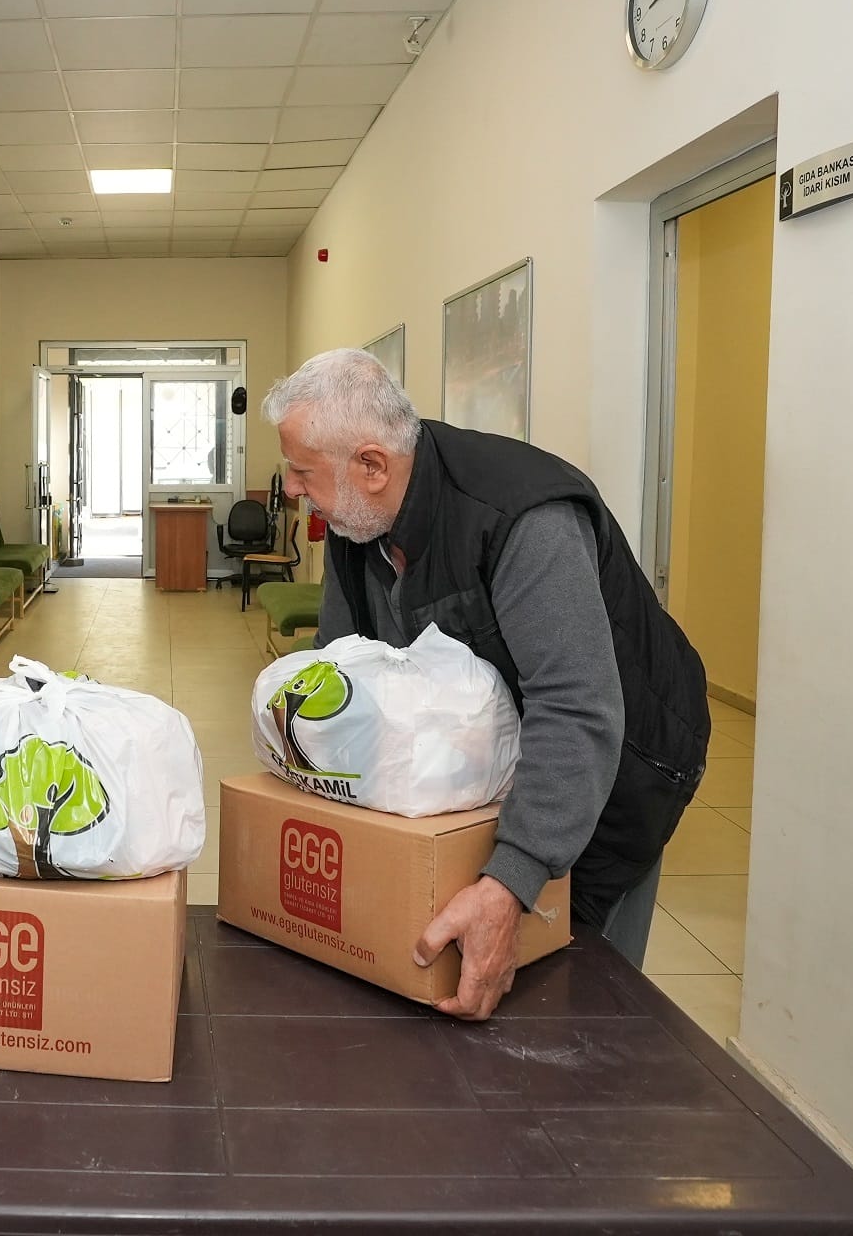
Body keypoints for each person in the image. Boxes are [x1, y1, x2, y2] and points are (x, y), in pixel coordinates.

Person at [264, 349, 709, 1017]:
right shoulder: (359, 520)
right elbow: (343, 669)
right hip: (495, 757)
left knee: (575, 986)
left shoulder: (523, 520)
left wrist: (514, 876)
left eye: (302, 471)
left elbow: (577, 707)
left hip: (618, 762)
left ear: (372, 465)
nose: (292, 489)